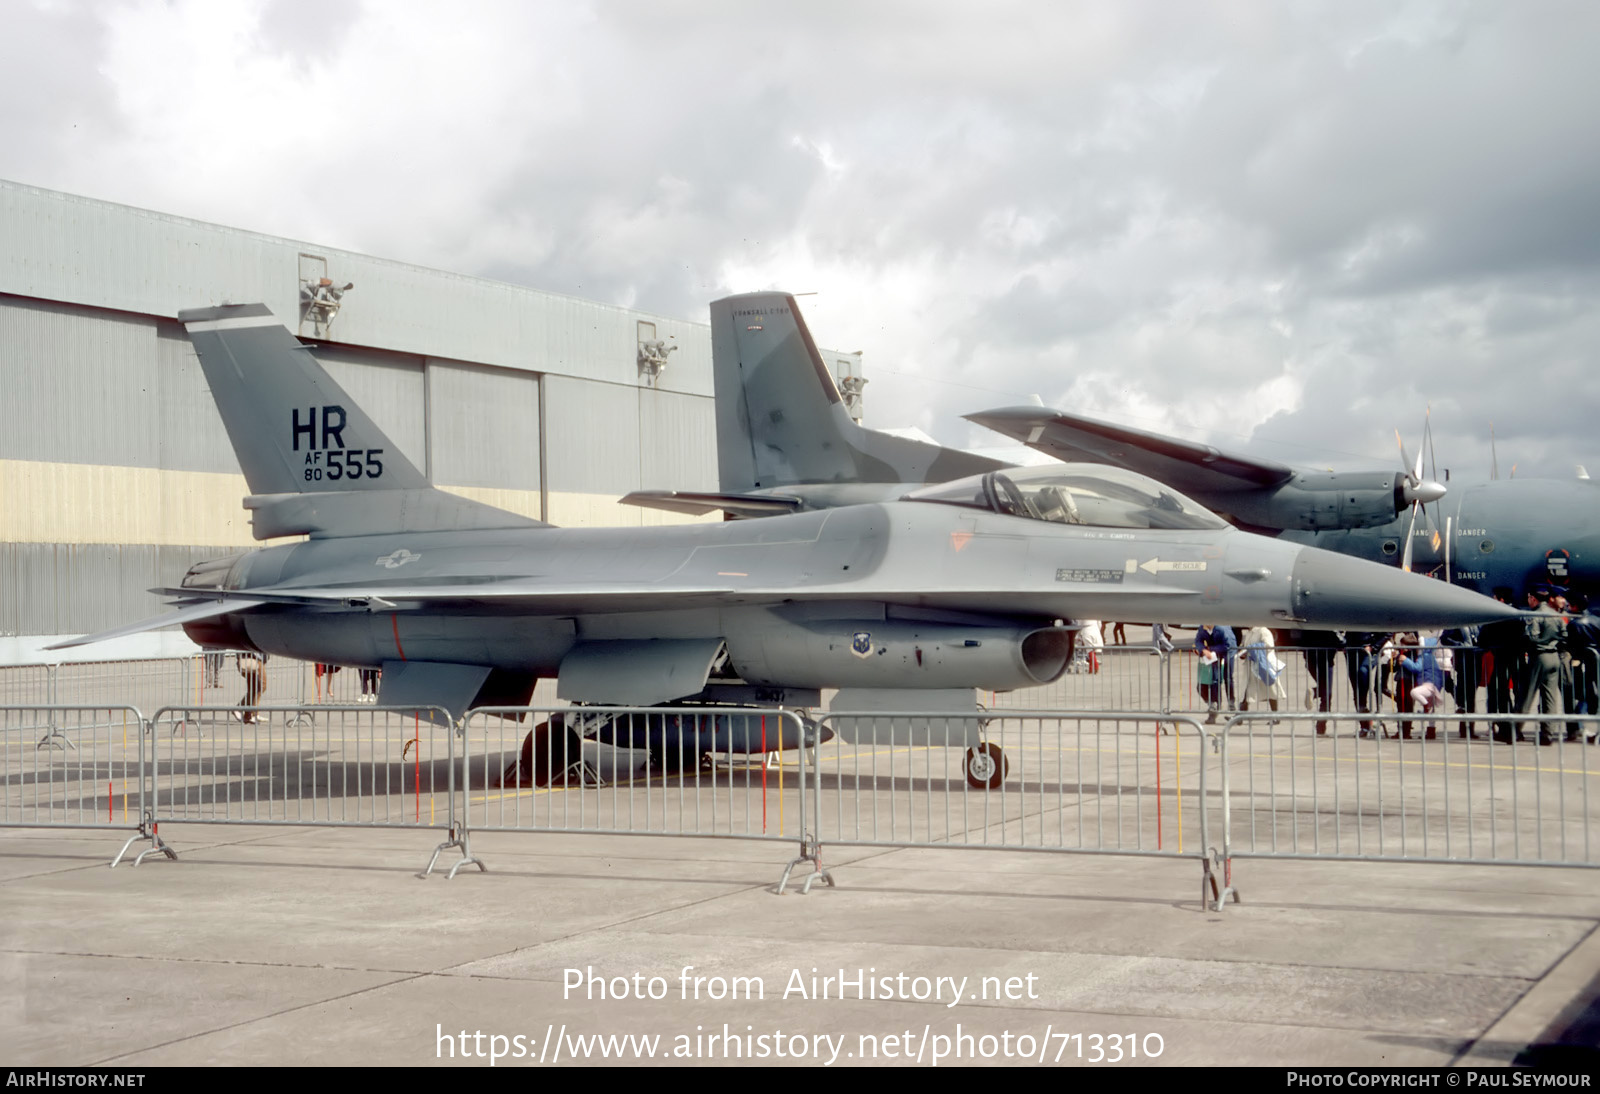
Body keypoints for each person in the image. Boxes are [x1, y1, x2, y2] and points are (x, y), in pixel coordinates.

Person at [1520, 587, 1564, 745]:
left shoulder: (1535, 615)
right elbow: (1564, 635)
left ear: (1533, 598)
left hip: (1540, 657)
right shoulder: (1556, 615)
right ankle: (1548, 733)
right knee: (1550, 698)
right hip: (1554, 657)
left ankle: (1515, 730)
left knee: (1527, 694)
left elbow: (1532, 637)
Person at [1480, 589, 1525, 743]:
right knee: (1520, 696)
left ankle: (1506, 730)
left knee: (1501, 695)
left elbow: (1483, 640)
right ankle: (1518, 730)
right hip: (1518, 661)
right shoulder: (1519, 615)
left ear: (1500, 599)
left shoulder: (1495, 617)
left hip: (1501, 660)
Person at [1397, 633, 1446, 739]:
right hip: (1432, 683)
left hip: (1429, 684)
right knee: (1432, 710)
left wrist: (1405, 660)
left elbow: (1417, 668)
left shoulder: (1424, 656)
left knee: (1414, 692)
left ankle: (1425, 706)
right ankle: (1431, 732)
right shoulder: (1428, 656)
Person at [1298, 630, 1344, 735]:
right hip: (1325, 661)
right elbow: (1339, 642)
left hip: (1312, 660)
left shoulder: (1308, 628)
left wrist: (1306, 658)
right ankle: (1321, 727)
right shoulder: (1327, 627)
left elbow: (1303, 642)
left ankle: (1321, 727)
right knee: (1327, 695)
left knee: (1325, 692)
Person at [1239, 625, 1286, 721]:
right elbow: (1244, 647)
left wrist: (1252, 649)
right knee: (1246, 690)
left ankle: (1276, 716)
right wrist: (1242, 652)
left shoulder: (1263, 631)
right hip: (1252, 667)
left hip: (1264, 666)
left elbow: (1268, 646)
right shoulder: (1248, 633)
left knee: (1271, 691)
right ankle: (1239, 717)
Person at [1440, 626, 1480, 739]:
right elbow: (1444, 639)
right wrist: (1459, 646)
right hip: (1463, 661)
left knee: (1471, 697)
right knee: (1466, 697)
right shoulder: (1458, 622)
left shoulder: (1478, 623)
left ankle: (1469, 729)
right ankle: (1466, 730)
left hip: (1476, 660)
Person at [1194, 624, 1236, 723]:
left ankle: (1231, 705)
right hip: (1214, 655)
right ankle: (1214, 707)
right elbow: (1198, 641)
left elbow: (1228, 645)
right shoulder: (1202, 628)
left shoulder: (1221, 629)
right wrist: (1203, 650)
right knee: (1214, 680)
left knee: (1228, 678)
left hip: (1228, 654)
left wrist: (1210, 649)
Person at [1345, 631, 1383, 737]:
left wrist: (1374, 646)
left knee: (1363, 672)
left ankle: (1368, 718)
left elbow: (1387, 632)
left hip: (1369, 650)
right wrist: (1343, 643)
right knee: (1357, 691)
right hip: (1352, 650)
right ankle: (1364, 725)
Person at [235, 650, 268, 724]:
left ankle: (248, 714)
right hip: (253, 658)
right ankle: (242, 709)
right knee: (261, 686)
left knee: (254, 688)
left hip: (254, 658)